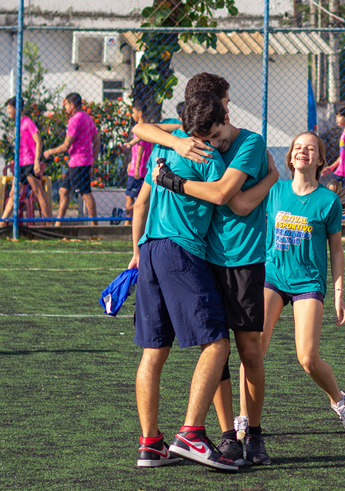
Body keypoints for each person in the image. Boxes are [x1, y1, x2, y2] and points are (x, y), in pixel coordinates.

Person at [140, 72, 279, 467]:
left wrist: (270, 177)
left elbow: (234, 203)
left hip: (242, 260)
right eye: (204, 135)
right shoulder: (193, 138)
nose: (212, 143)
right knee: (214, 346)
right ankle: (225, 435)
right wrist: (175, 141)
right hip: (199, 257)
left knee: (248, 351)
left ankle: (253, 433)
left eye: (216, 134)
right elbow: (142, 127)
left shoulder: (250, 143)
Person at [127, 90, 238, 471]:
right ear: (216, 122)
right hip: (182, 251)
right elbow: (226, 198)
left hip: (151, 249)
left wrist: (137, 252)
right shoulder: (208, 155)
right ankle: (191, 433)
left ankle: (150, 445)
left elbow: (140, 203)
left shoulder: (165, 147)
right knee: (217, 344)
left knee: (153, 352)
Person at [260, 131, 345, 433]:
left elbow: (337, 250)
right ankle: (243, 417)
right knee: (253, 350)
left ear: (319, 159)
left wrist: (339, 293)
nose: (303, 151)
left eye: (311, 148)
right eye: (298, 147)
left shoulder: (328, 201)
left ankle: (339, 400)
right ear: (291, 156)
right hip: (272, 277)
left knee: (307, 358)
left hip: (308, 282)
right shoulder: (274, 192)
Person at [43, 93, 99, 226]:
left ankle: (95, 227)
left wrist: (50, 151)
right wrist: (91, 160)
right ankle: (58, 224)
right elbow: (97, 142)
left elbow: (66, 145)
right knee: (63, 190)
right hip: (79, 162)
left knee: (85, 194)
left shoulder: (74, 120)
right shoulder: (87, 118)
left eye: (66, 105)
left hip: (78, 163)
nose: (65, 107)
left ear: (72, 105)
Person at [0, 98, 52, 223]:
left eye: (9, 108)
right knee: (12, 193)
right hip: (20, 164)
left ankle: (49, 223)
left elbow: (38, 141)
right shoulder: (18, 124)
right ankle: (2, 222)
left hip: (30, 163)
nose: (8, 111)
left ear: (17, 108)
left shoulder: (27, 122)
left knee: (38, 192)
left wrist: (37, 161)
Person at [124, 99, 159, 216]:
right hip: (139, 167)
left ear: (140, 113)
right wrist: (131, 162)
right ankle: (128, 221)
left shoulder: (141, 128)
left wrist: (137, 166)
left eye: (133, 112)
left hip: (138, 170)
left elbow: (140, 148)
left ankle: (125, 214)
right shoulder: (147, 127)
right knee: (135, 197)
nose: (132, 115)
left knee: (132, 198)